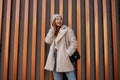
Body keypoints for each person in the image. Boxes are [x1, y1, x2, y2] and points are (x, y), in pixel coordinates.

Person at [44, 14, 77, 80]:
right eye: (57, 19)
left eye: (61, 19)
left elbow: (74, 43)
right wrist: (52, 30)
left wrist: (67, 53)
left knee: (71, 77)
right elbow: (47, 41)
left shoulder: (68, 30)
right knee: (57, 78)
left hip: (63, 56)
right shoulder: (53, 31)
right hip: (54, 56)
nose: (59, 21)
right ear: (54, 21)